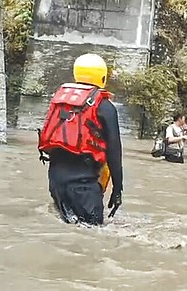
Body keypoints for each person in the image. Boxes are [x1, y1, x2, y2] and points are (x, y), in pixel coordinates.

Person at [37, 53, 123, 225]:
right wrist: (117, 189)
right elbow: (114, 152)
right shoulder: (105, 106)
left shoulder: (61, 101)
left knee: (69, 230)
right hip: (83, 185)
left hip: (55, 181)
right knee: (93, 238)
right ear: (102, 76)